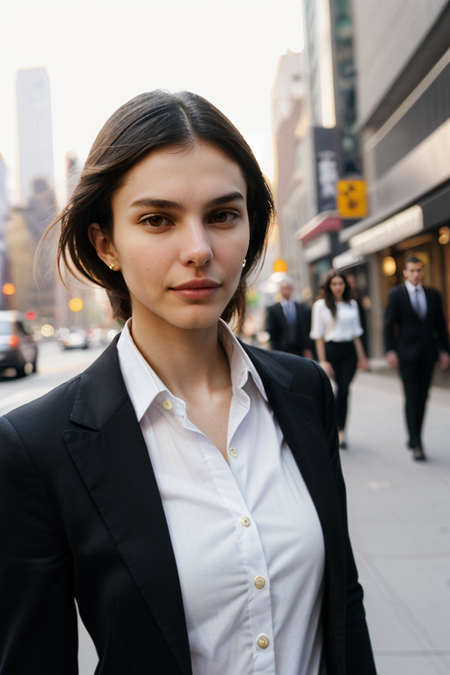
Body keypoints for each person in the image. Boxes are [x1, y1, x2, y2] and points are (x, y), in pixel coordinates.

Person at [0, 91, 377, 675]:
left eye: (224, 215)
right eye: (157, 220)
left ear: (252, 227)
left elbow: (343, 605)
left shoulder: (304, 391)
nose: (198, 250)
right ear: (106, 244)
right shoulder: (38, 445)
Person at [384, 256, 450, 461]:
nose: (416, 274)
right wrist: (391, 351)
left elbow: (440, 324)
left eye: (419, 270)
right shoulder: (396, 294)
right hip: (406, 354)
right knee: (411, 396)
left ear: (422, 271)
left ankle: (415, 436)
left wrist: (445, 350)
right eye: (411, 271)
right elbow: (388, 325)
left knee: (423, 396)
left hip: (428, 353)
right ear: (405, 272)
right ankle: (416, 441)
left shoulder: (433, 294)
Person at [310, 269, 369, 449]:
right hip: (330, 350)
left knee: (344, 390)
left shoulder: (352, 304)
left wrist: (362, 357)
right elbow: (318, 336)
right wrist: (323, 361)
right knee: (331, 392)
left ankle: (341, 431)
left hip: (349, 352)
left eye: (340, 284)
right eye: (334, 284)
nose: (337, 287)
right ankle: (330, 428)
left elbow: (356, 334)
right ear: (329, 286)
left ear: (345, 285)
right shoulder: (320, 306)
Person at [265, 276, 314, 358]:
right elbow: (271, 330)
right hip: (281, 350)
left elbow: (306, 328)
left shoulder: (301, 307)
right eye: (283, 288)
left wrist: (307, 348)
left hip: (299, 350)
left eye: (287, 288)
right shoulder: (273, 309)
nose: (285, 291)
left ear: (291, 288)